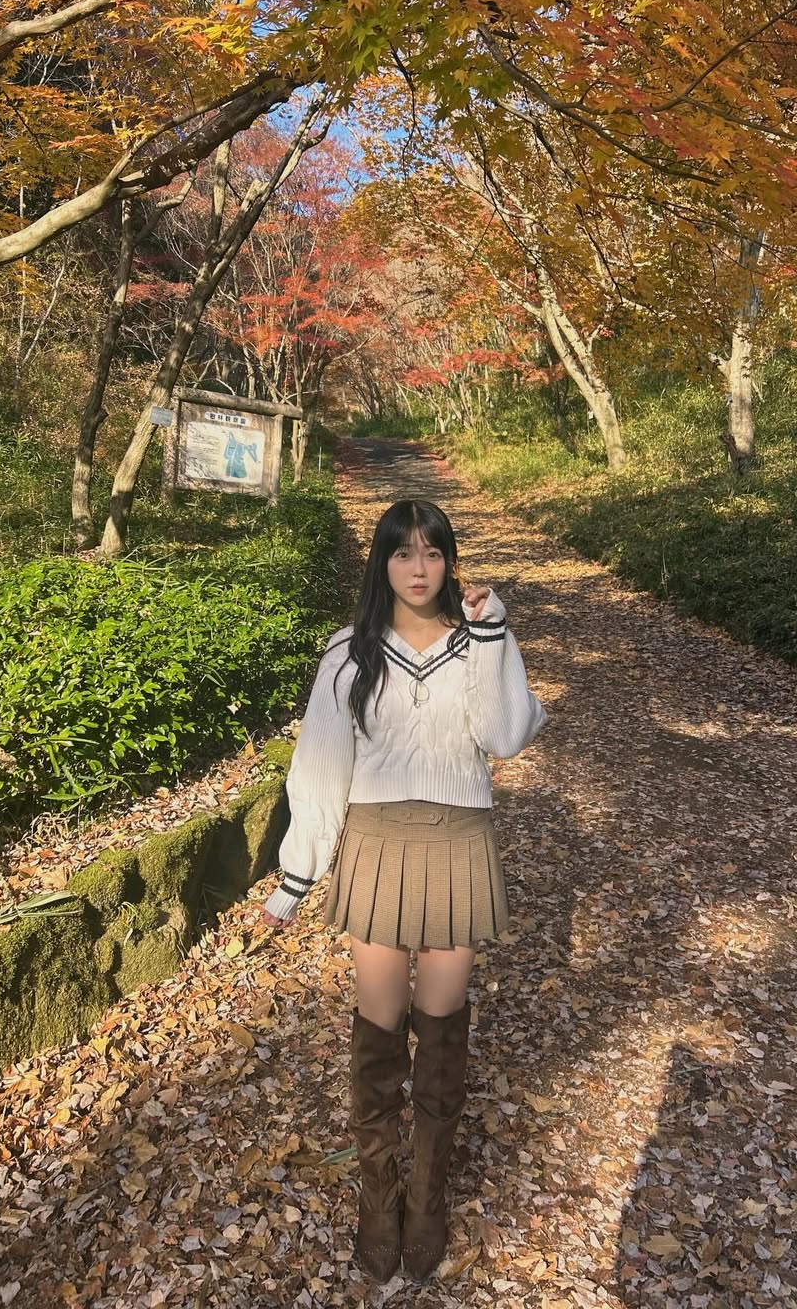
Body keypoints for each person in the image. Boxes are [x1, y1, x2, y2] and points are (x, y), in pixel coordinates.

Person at [257, 497, 549, 1284]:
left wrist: (493, 635)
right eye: (402, 552)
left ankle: (426, 1198)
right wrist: (296, 876)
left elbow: (508, 735)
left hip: (458, 845)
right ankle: (377, 1197)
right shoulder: (348, 650)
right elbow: (321, 765)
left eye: (432, 551)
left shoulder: (481, 637)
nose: (419, 568)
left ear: (449, 560)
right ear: (381, 561)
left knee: (443, 1031)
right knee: (380, 1030)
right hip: (377, 845)